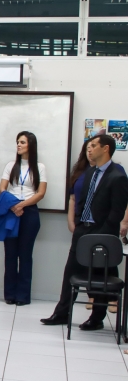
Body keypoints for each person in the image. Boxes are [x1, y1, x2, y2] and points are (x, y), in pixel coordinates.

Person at [41, 134, 128, 330]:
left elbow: (116, 211)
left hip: (103, 234)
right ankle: (62, 313)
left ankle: (97, 318)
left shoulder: (118, 176)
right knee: (70, 271)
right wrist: (80, 225)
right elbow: (82, 202)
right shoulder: (89, 173)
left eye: (94, 146)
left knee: (99, 275)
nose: (90, 149)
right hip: (83, 231)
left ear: (105, 149)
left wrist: (101, 234)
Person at [0, 132, 47, 306]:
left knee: (25, 255)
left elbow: (41, 193)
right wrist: (13, 206)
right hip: (11, 210)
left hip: (29, 212)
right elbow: (2, 188)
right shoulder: (11, 165)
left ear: (31, 145)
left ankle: (23, 296)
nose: (18, 145)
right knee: (10, 255)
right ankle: (10, 294)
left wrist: (22, 205)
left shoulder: (39, 167)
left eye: (22, 142)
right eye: (17, 142)